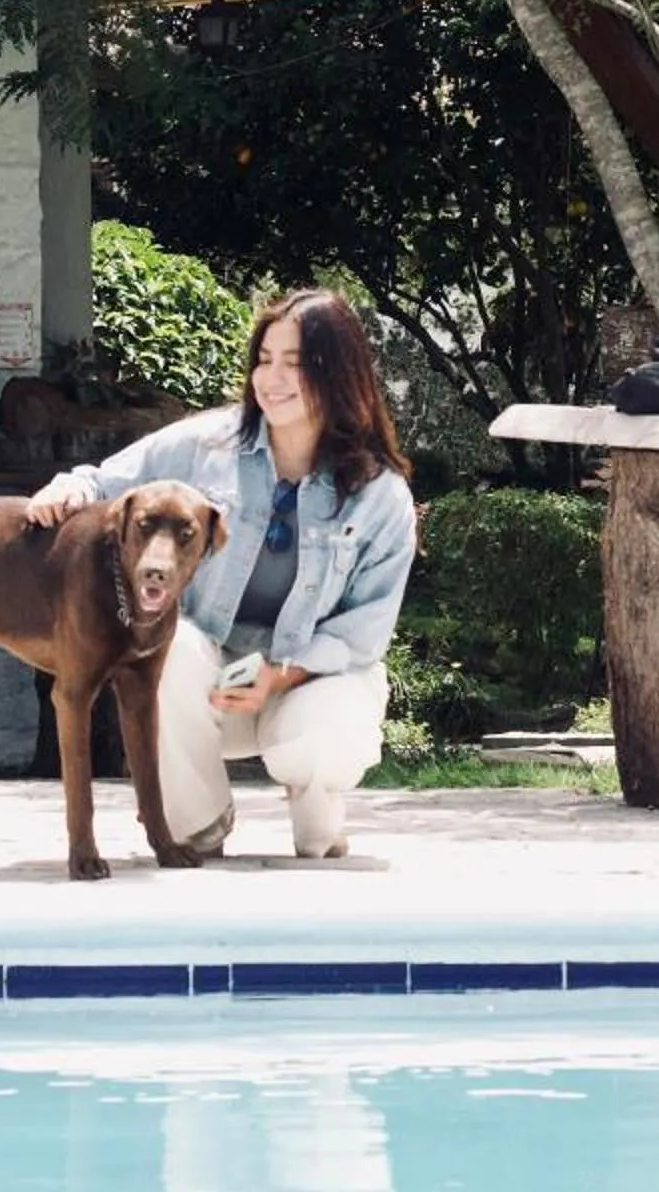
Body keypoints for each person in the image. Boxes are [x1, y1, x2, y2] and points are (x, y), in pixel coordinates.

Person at [24, 288, 416, 859]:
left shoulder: (380, 496)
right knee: (167, 642)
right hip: (212, 682)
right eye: (264, 359)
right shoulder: (208, 443)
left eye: (295, 363)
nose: (272, 378)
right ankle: (197, 821)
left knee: (330, 722)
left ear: (339, 375)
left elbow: (363, 634)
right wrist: (68, 490)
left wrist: (278, 677)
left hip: (302, 682)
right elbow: (109, 480)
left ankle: (315, 804)